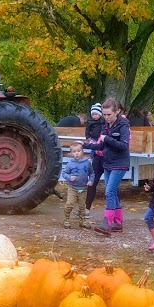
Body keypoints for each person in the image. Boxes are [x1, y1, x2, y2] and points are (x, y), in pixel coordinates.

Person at [83, 97, 130, 234]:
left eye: (109, 114)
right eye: (104, 114)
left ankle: (107, 222)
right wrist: (85, 145)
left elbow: (124, 145)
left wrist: (107, 139)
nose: (106, 117)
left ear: (117, 112)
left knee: (109, 191)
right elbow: (101, 145)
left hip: (120, 163)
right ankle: (118, 222)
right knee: (113, 192)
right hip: (107, 162)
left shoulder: (123, 126)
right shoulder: (105, 126)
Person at [61, 141, 95, 229]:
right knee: (70, 204)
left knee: (82, 206)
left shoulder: (87, 163)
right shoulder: (70, 164)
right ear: (71, 153)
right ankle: (66, 220)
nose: (77, 153)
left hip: (83, 188)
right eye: (74, 152)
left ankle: (82, 221)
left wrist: (91, 181)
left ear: (82, 151)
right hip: (73, 188)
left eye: (78, 151)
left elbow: (92, 173)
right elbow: (64, 173)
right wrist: (69, 177)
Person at [85, 103, 105, 214]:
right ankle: (86, 208)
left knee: (112, 187)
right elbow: (88, 132)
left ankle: (114, 214)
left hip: (108, 157)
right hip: (97, 155)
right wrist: (87, 141)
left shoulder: (105, 123)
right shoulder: (92, 123)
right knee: (92, 181)